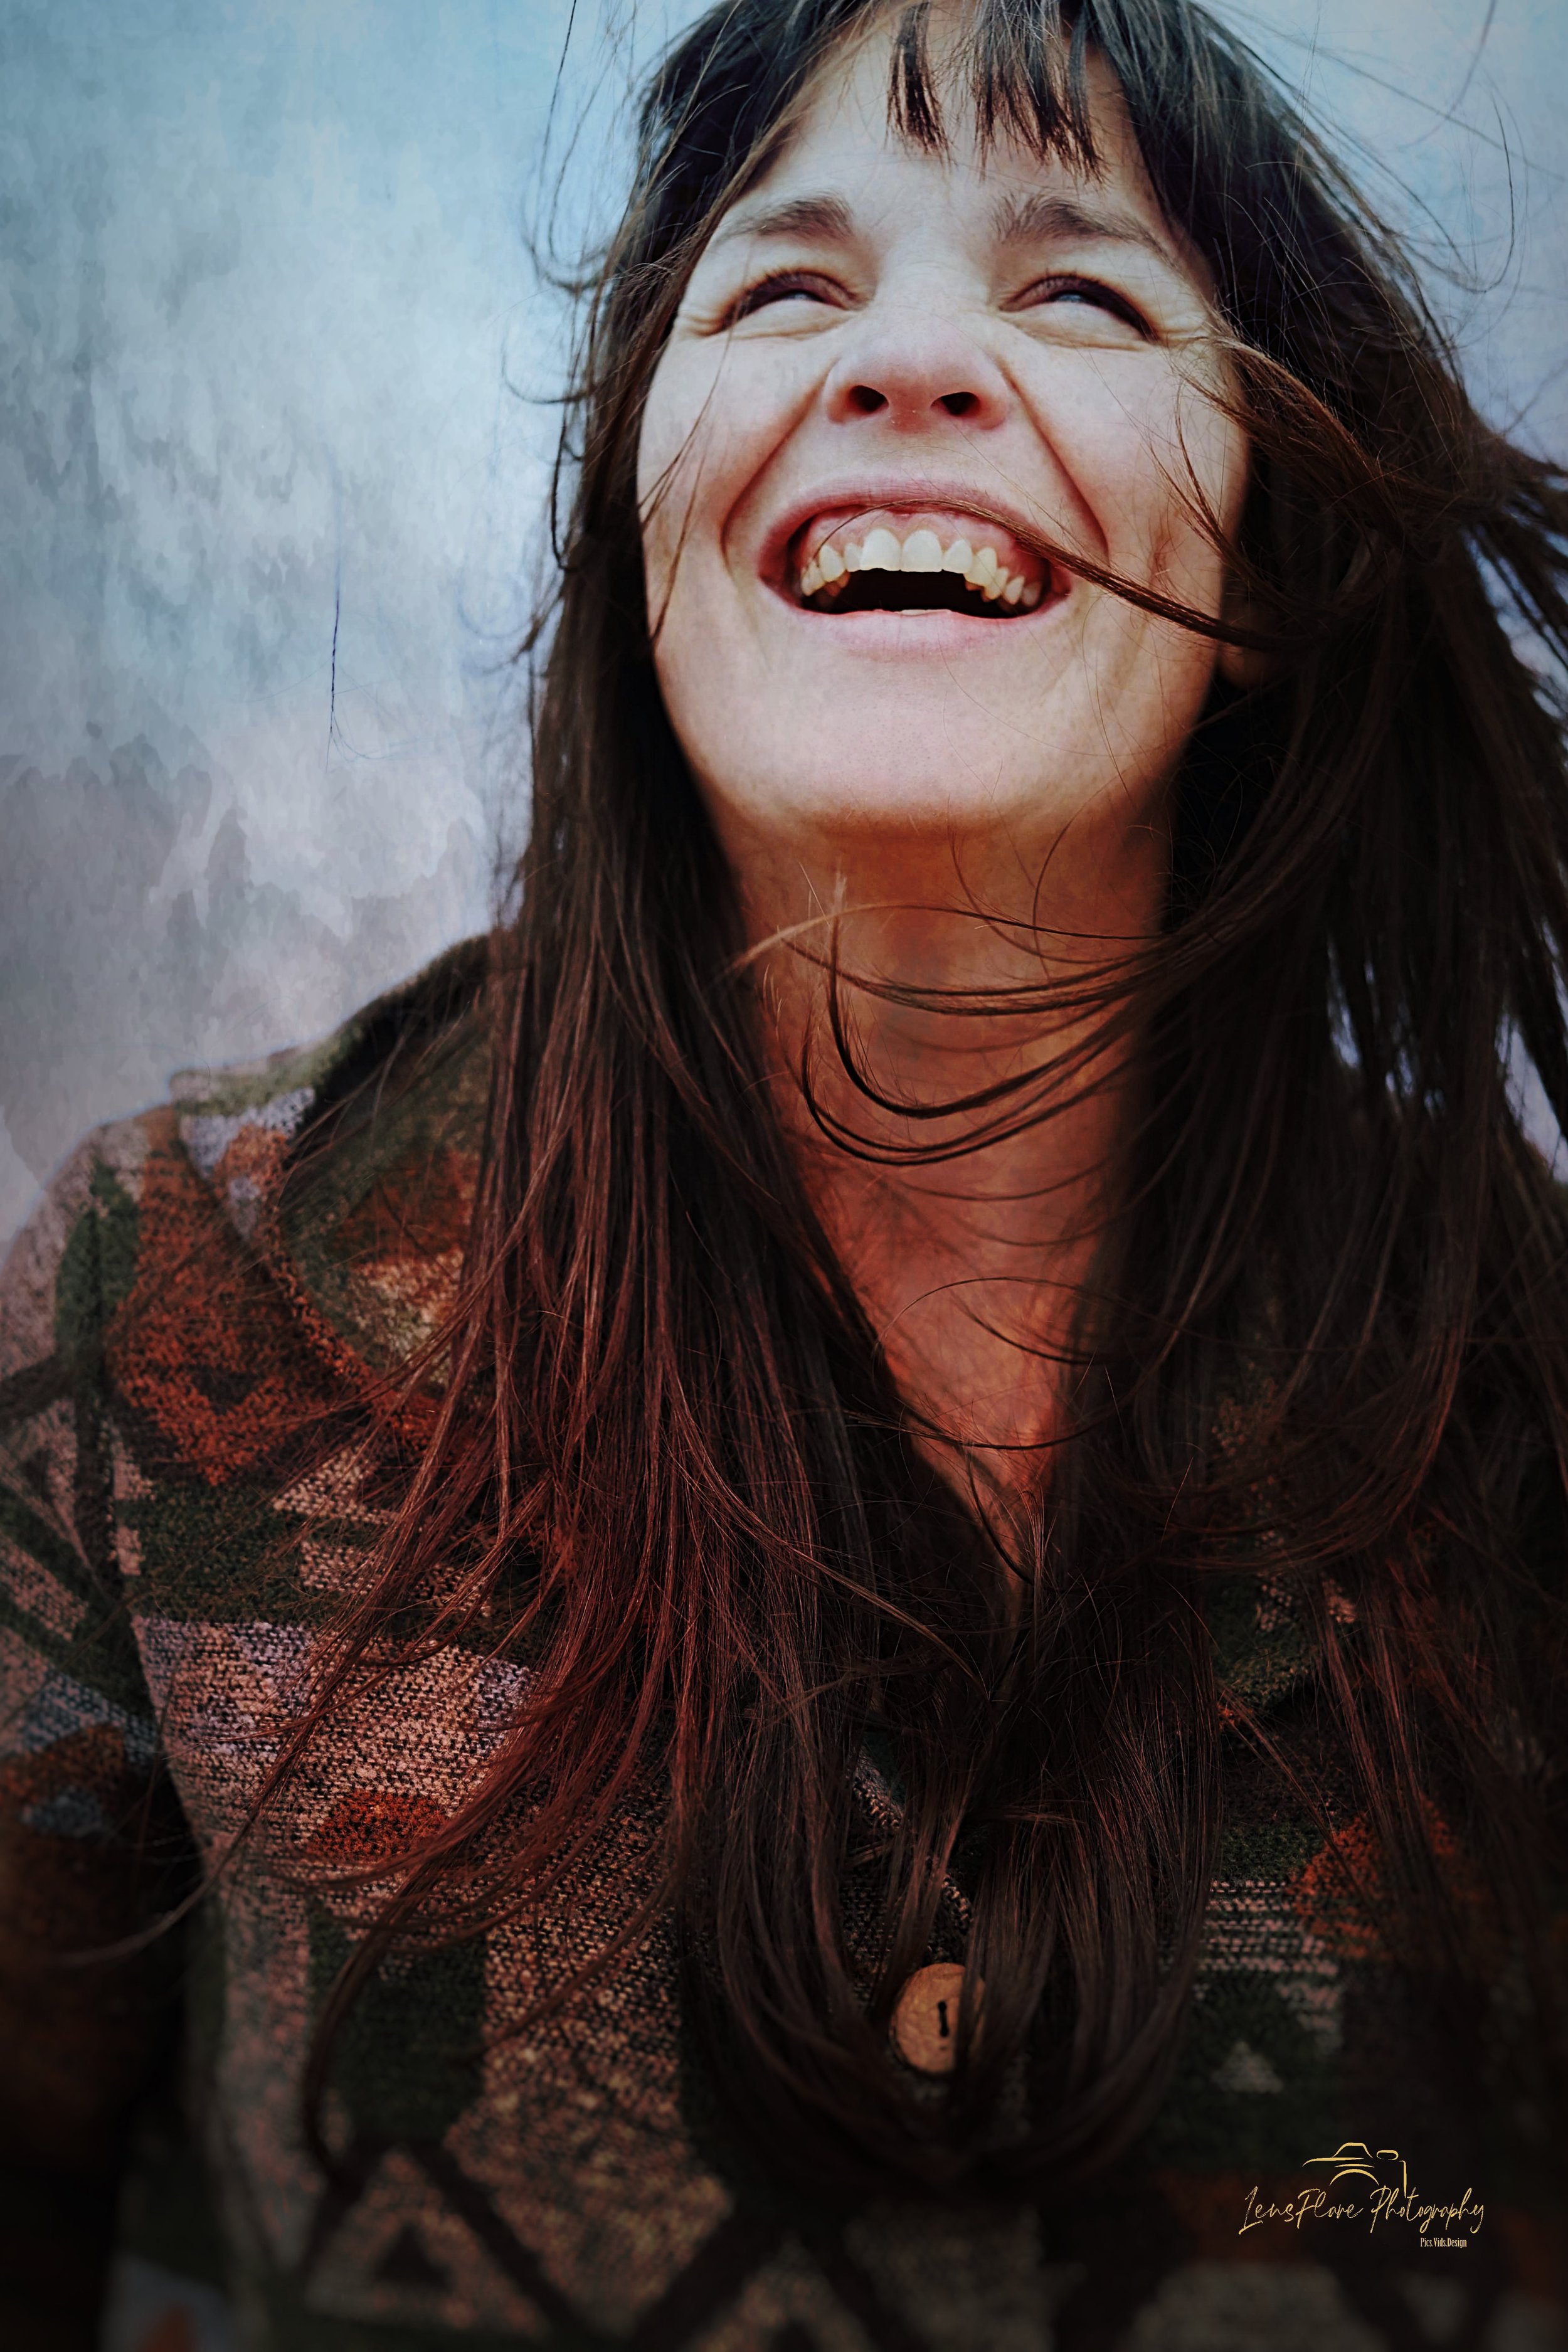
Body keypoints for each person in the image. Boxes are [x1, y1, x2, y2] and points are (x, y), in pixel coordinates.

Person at [3, 0, 1566, 2344]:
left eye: (1079, 293)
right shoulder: (163, 1293)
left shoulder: (1524, 1374)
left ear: (1258, 565)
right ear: (646, 517)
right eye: (780, 290)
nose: (909, 361)